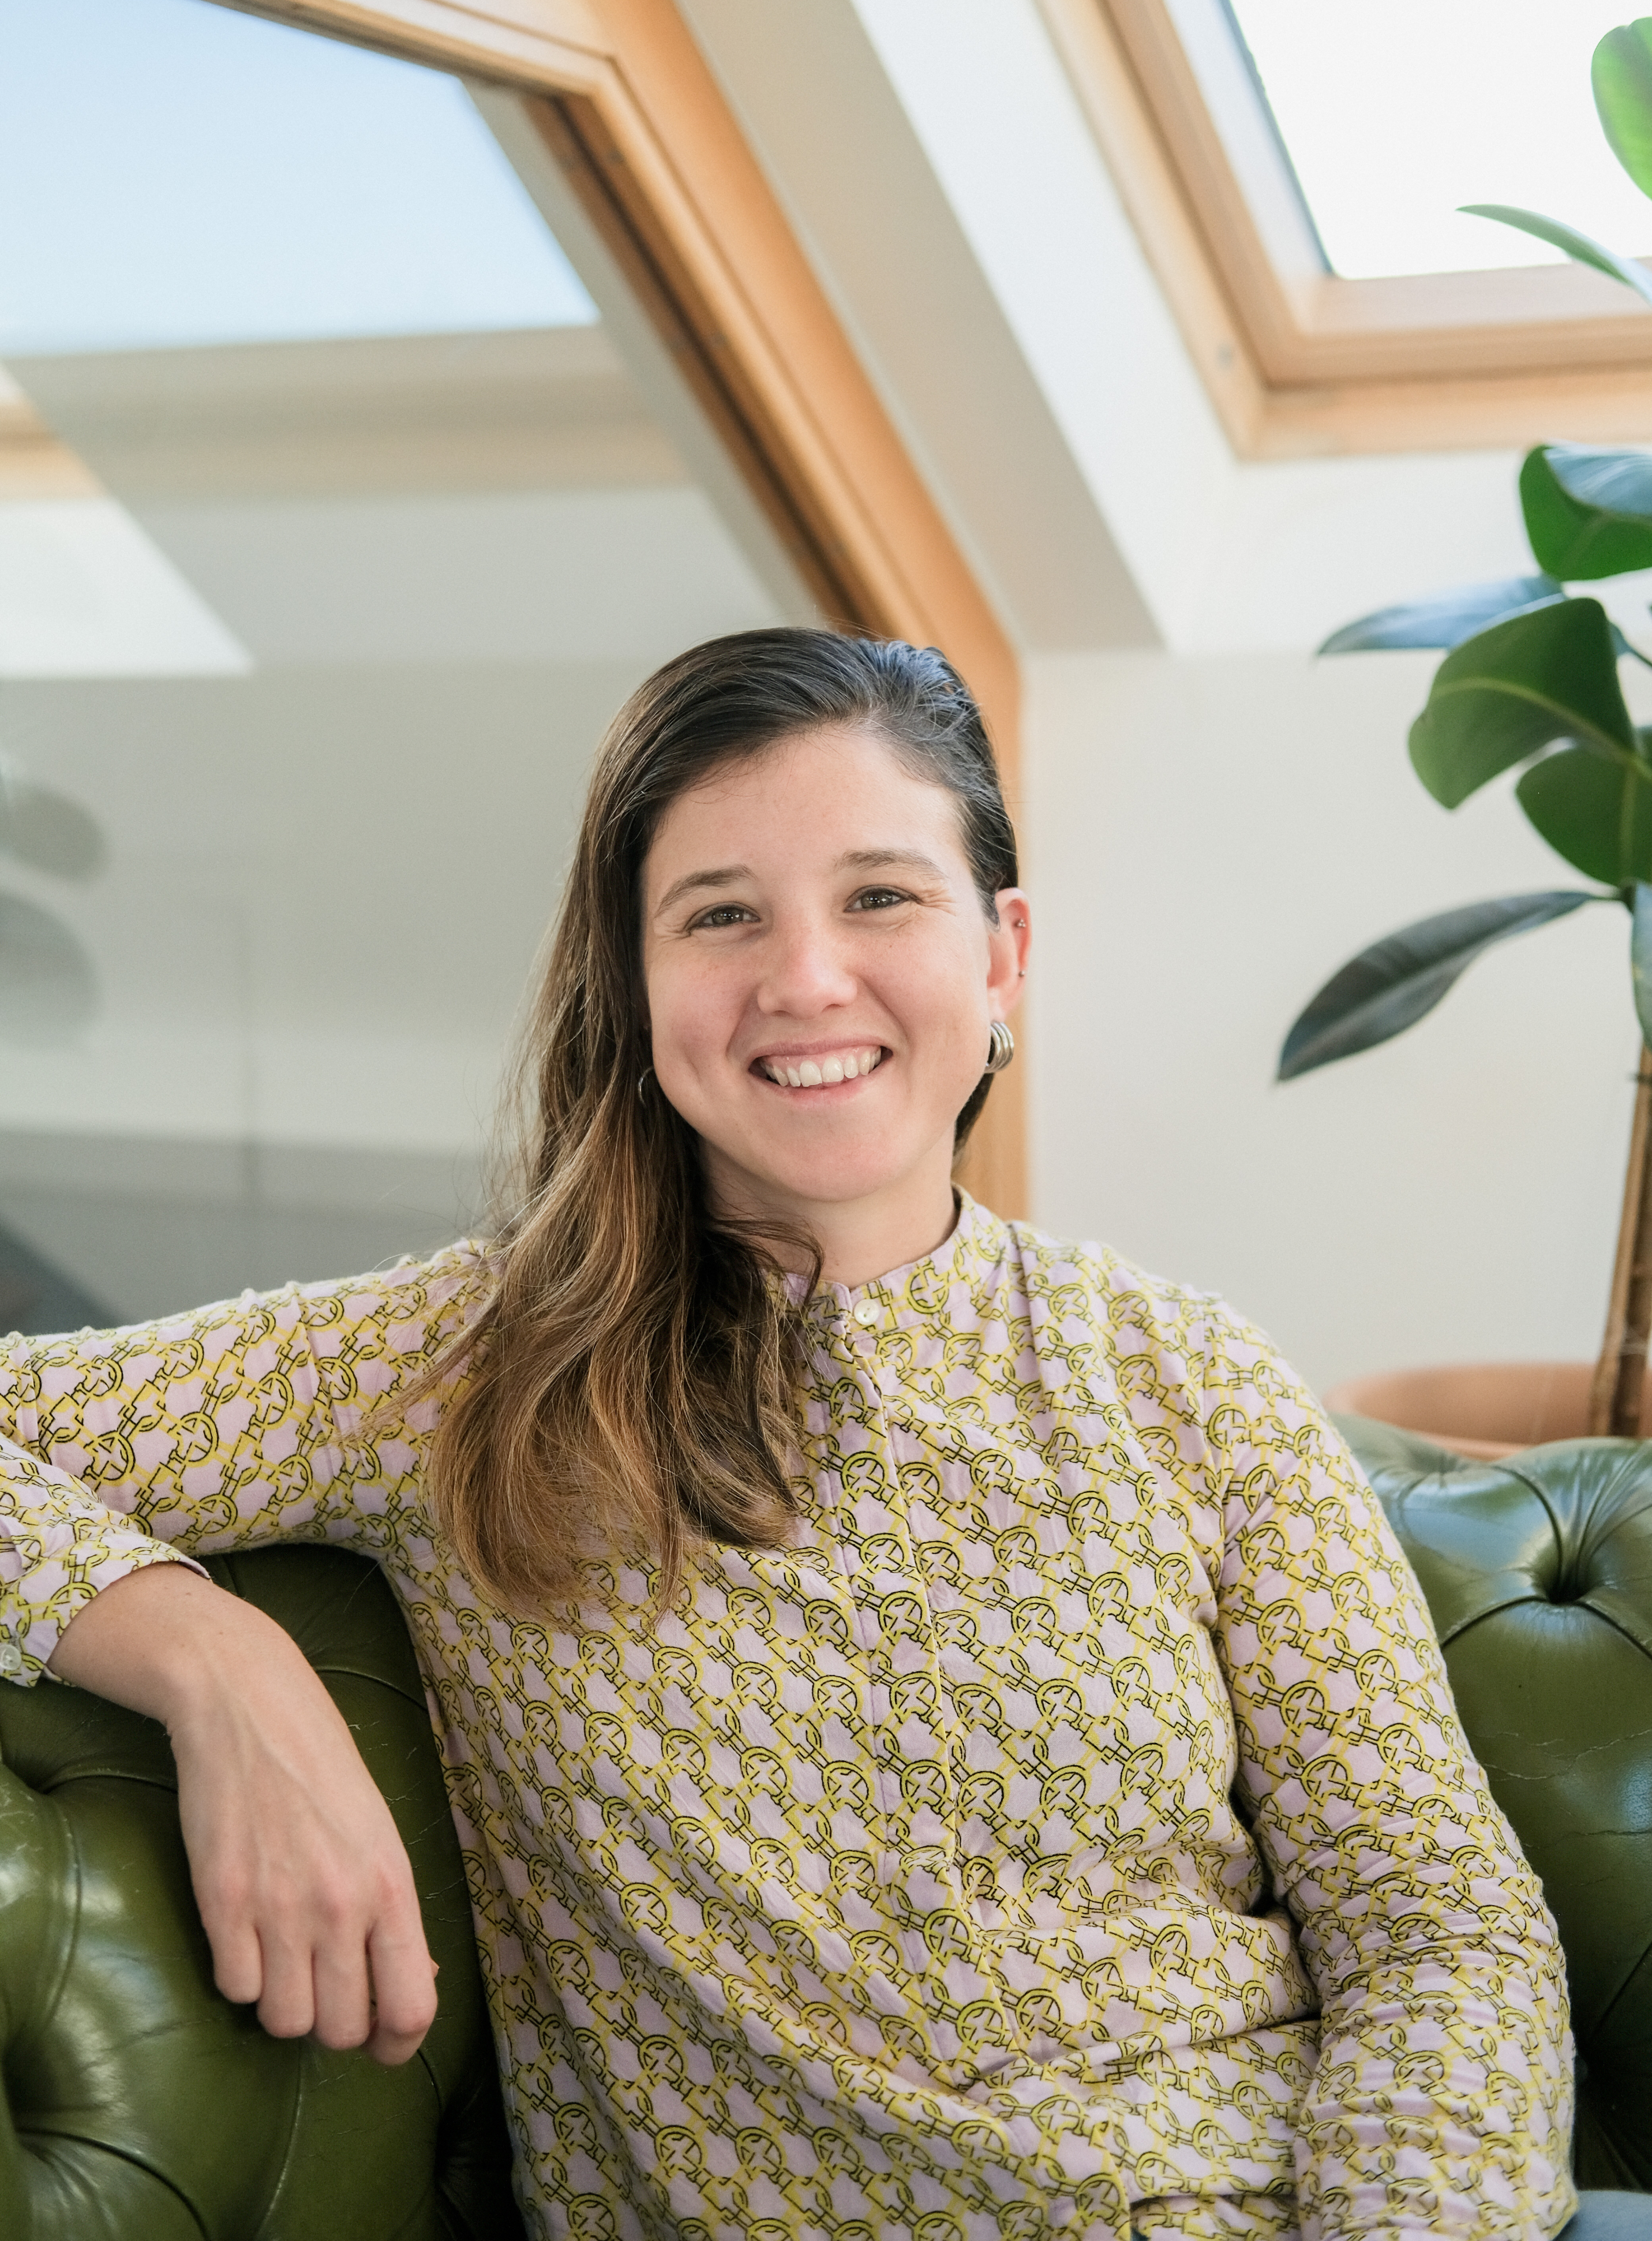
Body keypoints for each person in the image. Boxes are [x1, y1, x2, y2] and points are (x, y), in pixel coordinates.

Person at [0, 628, 1628, 2239]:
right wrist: (215, 1662)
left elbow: (1437, 1927)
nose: (804, 978)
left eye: (880, 896)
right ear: (633, 989)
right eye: (721, 916)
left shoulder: (1189, 1378)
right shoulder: (460, 1368)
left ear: (1001, 958)